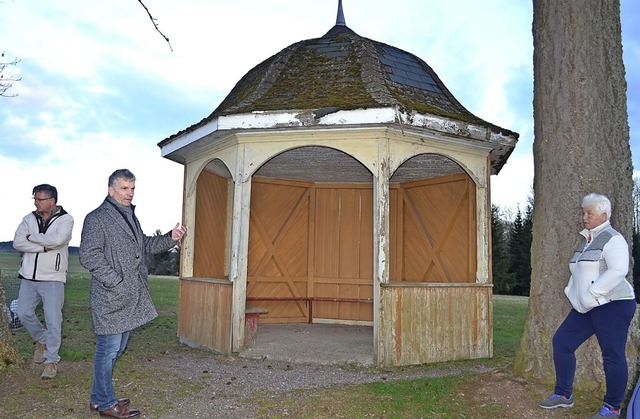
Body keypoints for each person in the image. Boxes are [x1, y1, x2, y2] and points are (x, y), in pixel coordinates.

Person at [79, 169, 186, 419]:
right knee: (108, 350)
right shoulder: (97, 218)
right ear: (111, 190)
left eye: (133, 188)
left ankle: (98, 398)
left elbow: (144, 246)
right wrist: (116, 281)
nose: (130, 193)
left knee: (117, 349)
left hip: (130, 296)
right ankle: (106, 403)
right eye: (125, 188)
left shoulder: (129, 215)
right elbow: (89, 255)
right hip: (110, 297)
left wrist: (171, 238)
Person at [539, 193, 636, 418]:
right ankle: (564, 395)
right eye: (584, 212)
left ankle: (612, 408)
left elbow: (618, 270)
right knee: (562, 342)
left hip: (614, 304)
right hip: (587, 306)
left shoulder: (613, 238)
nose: (584, 217)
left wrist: (592, 293)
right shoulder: (586, 242)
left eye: (588, 213)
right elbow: (577, 271)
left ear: (603, 215)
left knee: (612, 355)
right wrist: (571, 293)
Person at [13, 184, 74, 379]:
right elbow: (17, 242)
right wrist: (42, 247)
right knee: (22, 312)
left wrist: (32, 238)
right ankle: (43, 339)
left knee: (53, 320)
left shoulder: (66, 219)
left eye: (39, 199)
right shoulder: (28, 218)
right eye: (35, 199)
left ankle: (51, 361)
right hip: (28, 277)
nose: (35, 203)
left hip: (53, 279)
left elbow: (59, 240)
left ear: (52, 201)